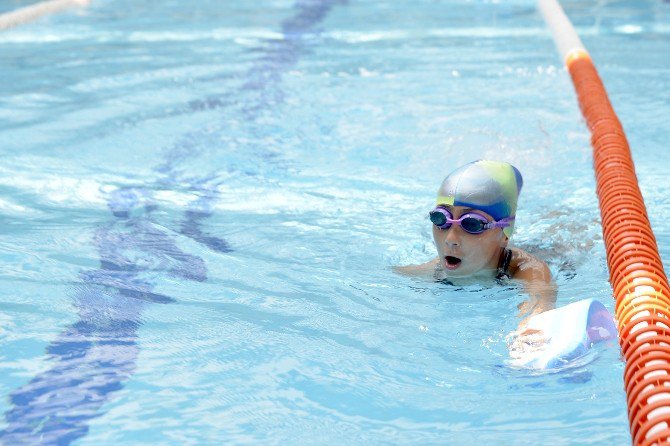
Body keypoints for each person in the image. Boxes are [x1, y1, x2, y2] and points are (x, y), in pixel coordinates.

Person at [394, 159, 557, 339]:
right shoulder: (435, 269)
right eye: (441, 219)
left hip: (557, 252)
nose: (450, 239)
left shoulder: (526, 269)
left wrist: (530, 333)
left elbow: (538, 305)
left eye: (472, 224)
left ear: (504, 234)